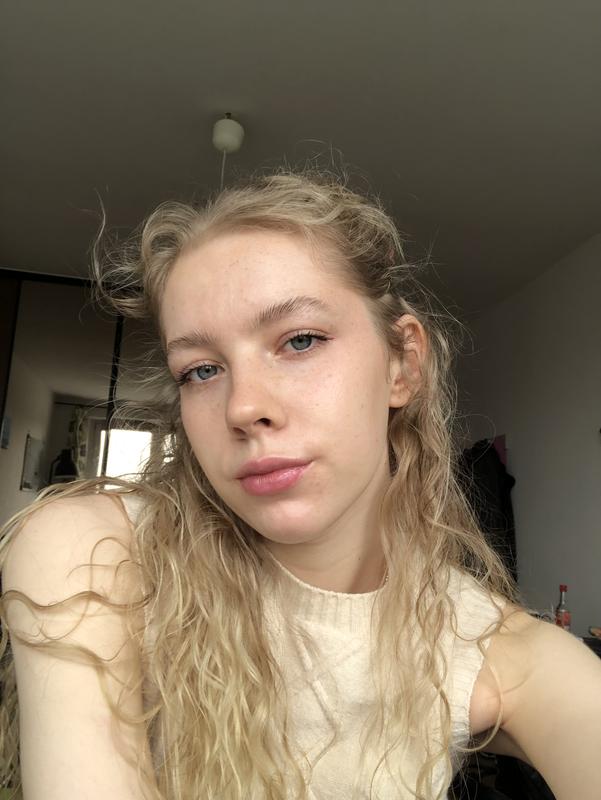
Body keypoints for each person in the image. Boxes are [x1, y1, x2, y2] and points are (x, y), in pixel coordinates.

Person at [1, 170, 600, 800]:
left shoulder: (493, 647)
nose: (243, 407)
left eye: (300, 340)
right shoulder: (95, 556)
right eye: (201, 370)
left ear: (402, 364)